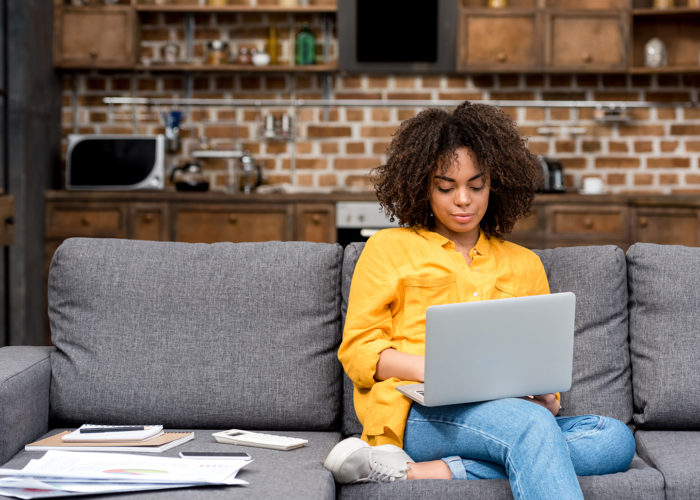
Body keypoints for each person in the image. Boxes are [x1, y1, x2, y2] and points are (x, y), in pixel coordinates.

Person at [323, 102, 635, 498]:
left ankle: (421, 474)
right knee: (530, 428)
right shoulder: (388, 248)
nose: (463, 200)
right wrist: (440, 370)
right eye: (446, 187)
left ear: (496, 184)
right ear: (422, 185)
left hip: (509, 412)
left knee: (613, 438)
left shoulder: (524, 263)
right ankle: (480, 448)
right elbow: (359, 351)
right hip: (419, 413)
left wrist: (543, 397)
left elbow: (543, 370)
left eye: (476, 185)